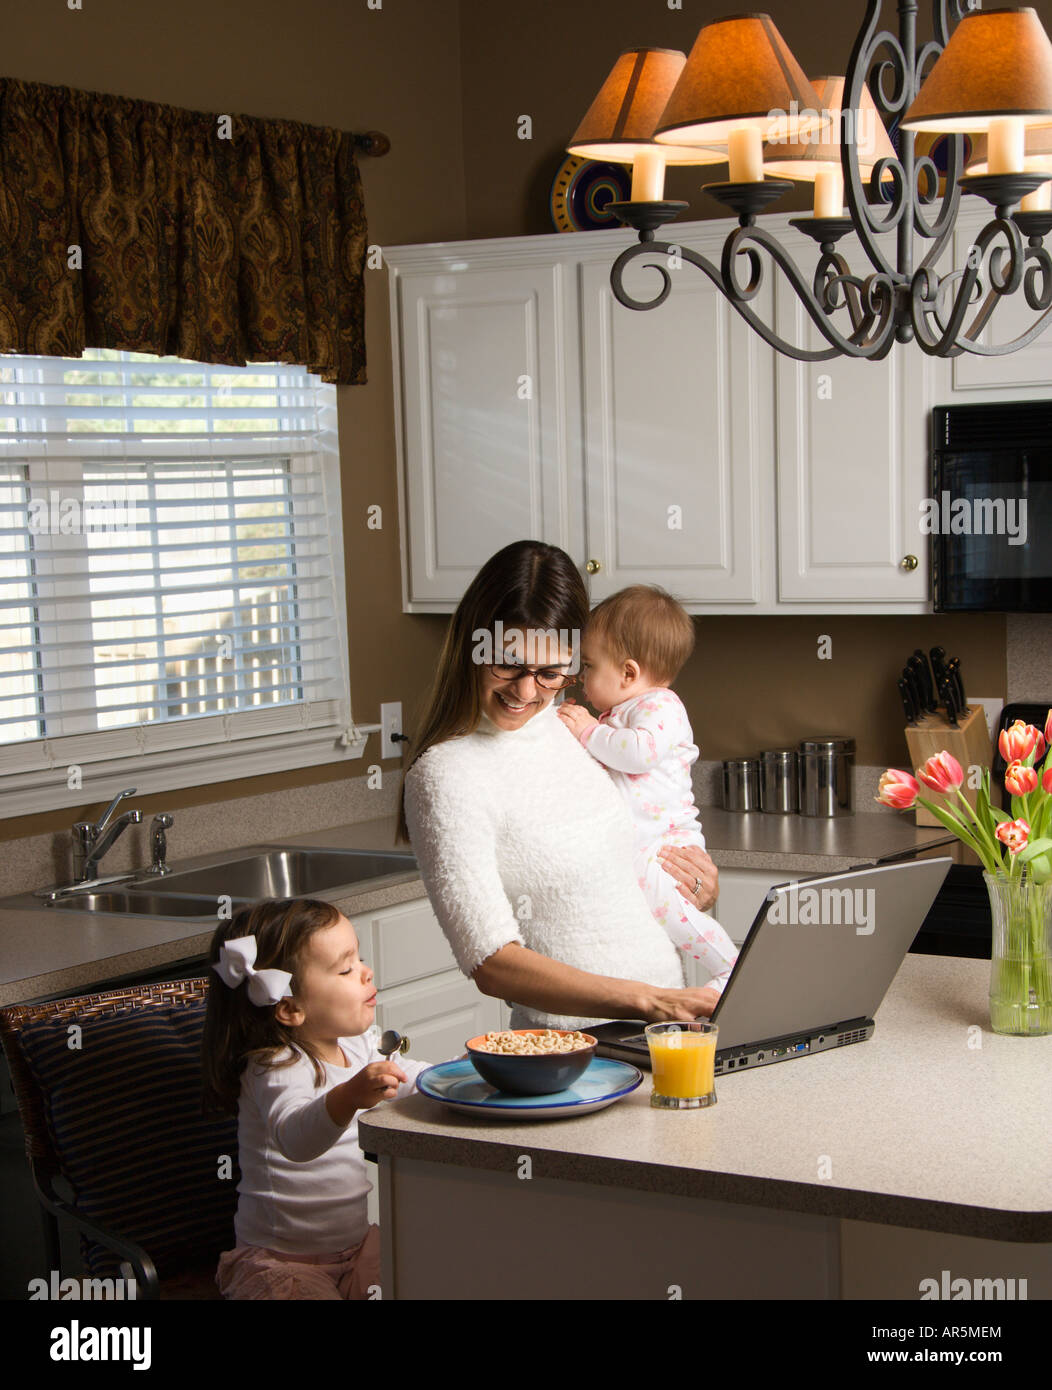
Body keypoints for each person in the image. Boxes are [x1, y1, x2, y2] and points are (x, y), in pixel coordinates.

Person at [399, 539, 722, 1031]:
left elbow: (617, 874)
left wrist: (694, 887)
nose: (526, 692)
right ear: (472, 643)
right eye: (507, 663)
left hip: (666, 1033)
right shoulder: (447, 774)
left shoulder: (576, 728)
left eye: (550, 672)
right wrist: (647, 1001)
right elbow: (491, 961)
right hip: (570, 1054)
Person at [201, 898, 432, 1300]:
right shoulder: (274, 1066)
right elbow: (296, 1139)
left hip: (357, 1249)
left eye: (359, 959)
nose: (365, 972)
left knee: (426, 1273)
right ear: (290, 1008)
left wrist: (456, 1073)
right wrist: (350, 1096)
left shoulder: (358, 1043)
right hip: (281, 1265)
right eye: (346, 968)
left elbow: (404, 1074)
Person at [556, 584, 738, 993]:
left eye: (589, 666)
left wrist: (587, 730)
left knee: (672, 911)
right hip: (643, 846)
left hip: (666, 844)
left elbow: (639, 753)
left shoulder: (661, 706)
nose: (581, 676)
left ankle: (730, 969)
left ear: (628, 673)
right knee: (659, 911)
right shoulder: (620, 712)